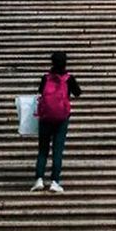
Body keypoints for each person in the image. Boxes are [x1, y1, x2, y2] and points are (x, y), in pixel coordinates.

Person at [31, 50, 82, 193]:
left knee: (42, 150)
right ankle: (54, 181)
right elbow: (78, 93)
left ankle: (39, 179)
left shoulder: (46, 78)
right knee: (57, 151)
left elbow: (40, 93)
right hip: (61, 119)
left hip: (45, 118)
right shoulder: (69, 78)